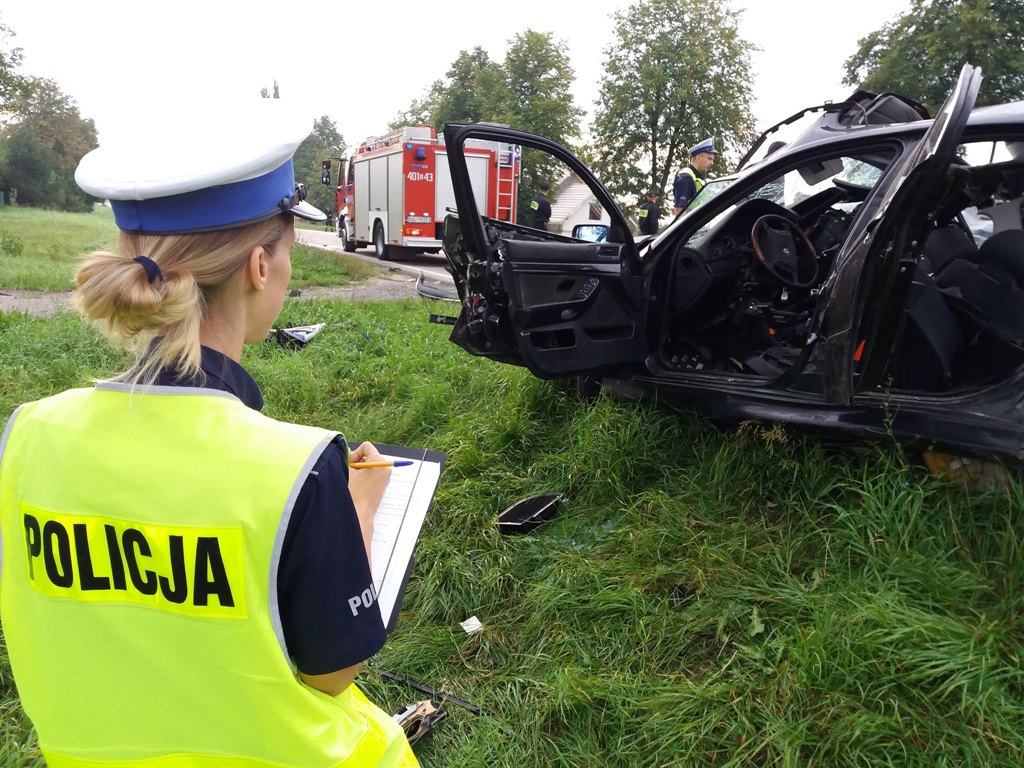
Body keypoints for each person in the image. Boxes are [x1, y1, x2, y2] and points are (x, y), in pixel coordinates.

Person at [0, 101, 419, 767]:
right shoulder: (298, 468)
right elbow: (334, 673)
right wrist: (359, 511)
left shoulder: (26, 435)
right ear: (260, 266)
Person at [673, 137, 718, 215]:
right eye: (709, 159)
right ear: (699, 157)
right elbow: (680, 211)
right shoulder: (686, 178)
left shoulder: (696, 178)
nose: (712, 163)